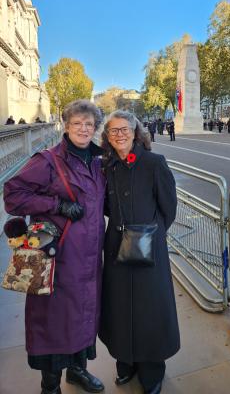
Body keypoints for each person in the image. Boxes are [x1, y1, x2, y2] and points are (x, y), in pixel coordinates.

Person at [3, 99, 106, 394]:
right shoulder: (48, 160)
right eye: (77, 124)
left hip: (89, 258)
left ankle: (77, 371)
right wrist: (56, 204)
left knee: (84, 315)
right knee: (52, 323)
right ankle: (50, 386)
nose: (84, 129)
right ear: (66, 126)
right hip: (58, 258)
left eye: (89, 124)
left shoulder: (98, 162)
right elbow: (13, 195)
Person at [99, 110, 180, 394]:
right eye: (113, 131)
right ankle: (126, 363)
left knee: (150, 310)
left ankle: (152, 371)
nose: (120, 134)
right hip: (116, 247)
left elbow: (169, 208)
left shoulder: (154, 163)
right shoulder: (106, 167)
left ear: (135, 132)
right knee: (119, 308)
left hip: (149, 248)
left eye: (125, 129)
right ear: (107, 137)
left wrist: (152, 234)